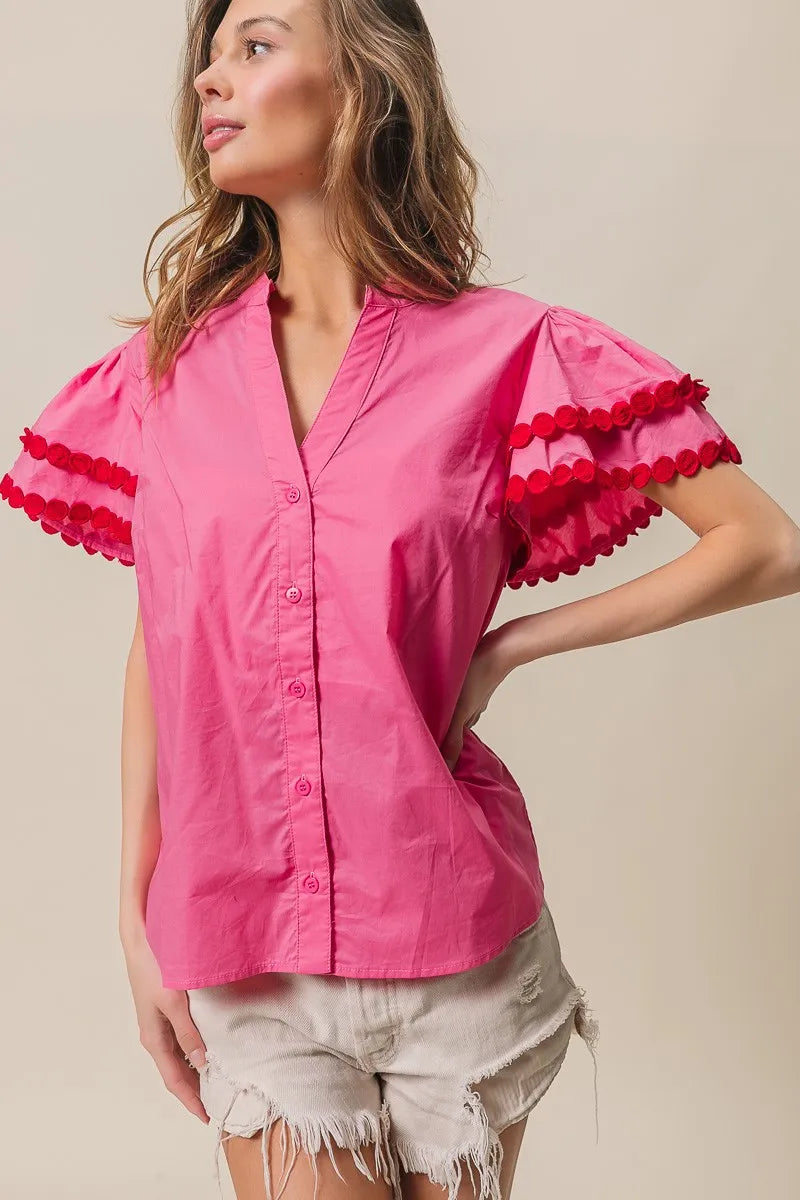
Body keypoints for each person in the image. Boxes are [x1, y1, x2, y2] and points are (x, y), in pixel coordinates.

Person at [3, 1, 799, 1198]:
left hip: (462, 950)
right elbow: (168, 634)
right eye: (208, 57)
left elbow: (761, 545)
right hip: (245, 949)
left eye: (255, 45)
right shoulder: (163, 373)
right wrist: (136, 914)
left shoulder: (514, 353)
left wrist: (506, 647)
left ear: (363, 86)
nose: (211, 81)